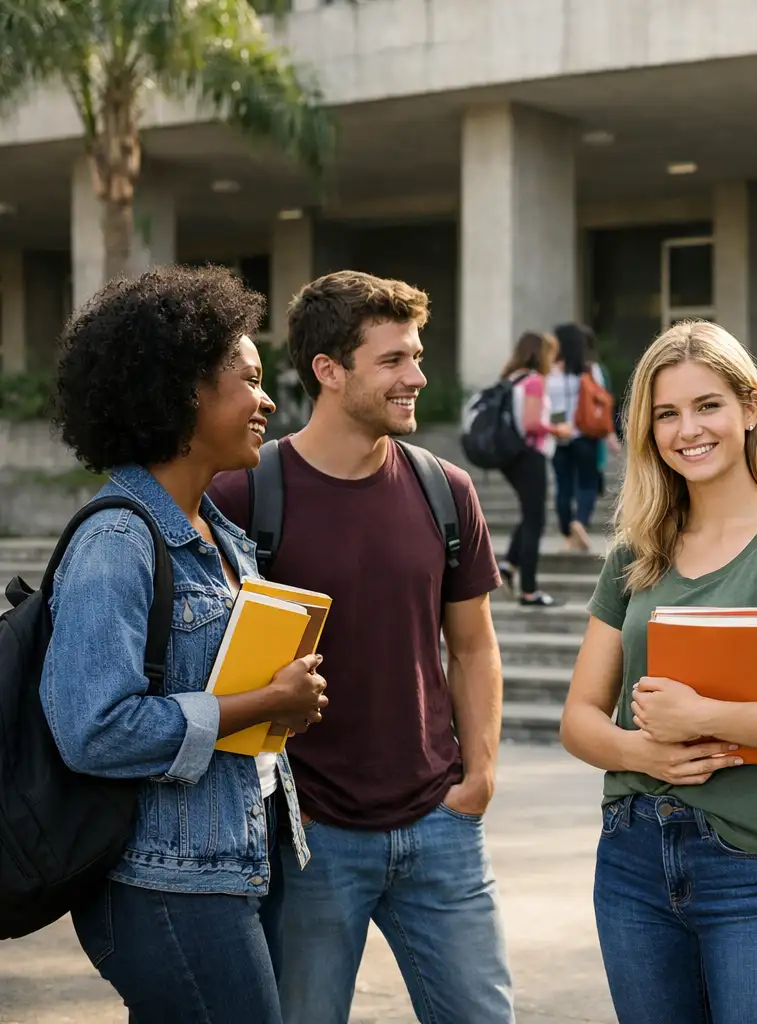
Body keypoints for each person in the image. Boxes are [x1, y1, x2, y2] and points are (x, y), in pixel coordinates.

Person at [206, 271, 514, 1023]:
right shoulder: (244, 494)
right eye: (394, 360)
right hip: (313, 842)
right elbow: (212, 668)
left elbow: (472, 646)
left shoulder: (447, 490)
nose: (418, 376)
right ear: (329, 371)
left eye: (416, 355)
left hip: (441, 829)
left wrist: (478, 778)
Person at [560, 320, 757, 1024]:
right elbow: (579, 717)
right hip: (633, 857)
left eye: (708, 406)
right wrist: (642, 751)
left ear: (750, 409)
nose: (687, 429)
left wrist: (703, 719)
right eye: (666, 413)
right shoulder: (634, 555)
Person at [43, 265, 326, 1021]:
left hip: (241, 852)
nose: (269, 400)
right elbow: (94, 729)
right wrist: (261, 701)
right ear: (186, 392)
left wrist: (281, 707)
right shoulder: (117, 541)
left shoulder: (225, 538)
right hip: (163, 878)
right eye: (250, 379)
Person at [498, 329, 572, 606]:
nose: (553, 360)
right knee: (535, 520)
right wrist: (557, 429)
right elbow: (531, 424)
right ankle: (529, 590)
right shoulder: (534, 382)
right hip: (531, 455)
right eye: (550, 354)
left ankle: (508, 566)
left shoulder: (512, 379)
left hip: (513, 455)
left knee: (530, 515)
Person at [548, 321, 608, 552]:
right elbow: (601, 400)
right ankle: (579, 522)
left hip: (559, 438)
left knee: (563, 486)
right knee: (587, 482)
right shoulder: (592, 370)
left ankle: (567, 532)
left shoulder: (550, 371)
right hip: (585, 436)